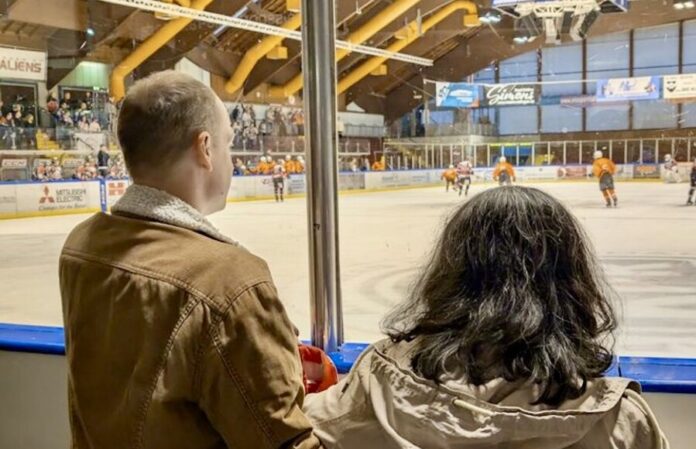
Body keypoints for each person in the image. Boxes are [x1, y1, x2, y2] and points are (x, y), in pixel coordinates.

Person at [59, 71, 323, 449]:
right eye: (228, 144)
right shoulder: (229, 280)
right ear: (205, 148)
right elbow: (283, 440)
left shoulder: (81, 246)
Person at [304, 186, 668, 449]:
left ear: (449, 275)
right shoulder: (621, 423)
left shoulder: (376, 386)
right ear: (571, 284)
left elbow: (301, 429)